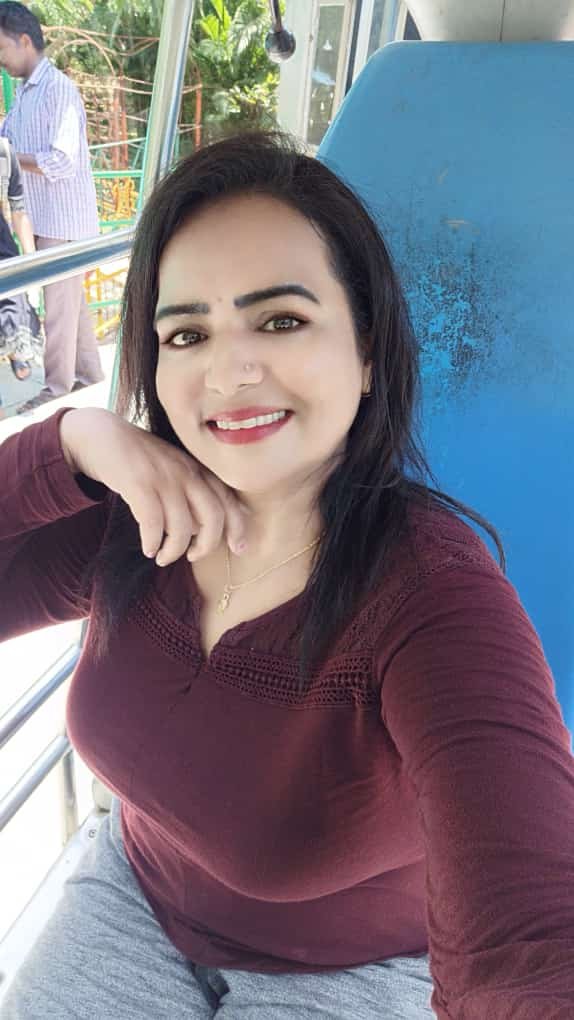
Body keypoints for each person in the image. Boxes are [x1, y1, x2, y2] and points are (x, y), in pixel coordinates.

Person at [1, 132, 573, 1019]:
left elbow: (529, 937)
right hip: (135, 894)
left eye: (280, 321)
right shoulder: (137, 517)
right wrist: (68, 442)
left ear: (368, 348)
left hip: (353, 969)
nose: (229, 372)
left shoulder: (435, 602)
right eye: (187, 333)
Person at [0, 1, 103, 414]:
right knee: (71, 308)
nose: (0, 59)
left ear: (25, 41)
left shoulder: (58, 89)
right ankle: (92, 378)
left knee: (59, 310)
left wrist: (12, 157)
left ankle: (56, 389)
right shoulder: (25, 95)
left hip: (64, 222)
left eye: (2, 48)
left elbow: (61, 160)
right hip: (45, 220)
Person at [0, 136, 42, 414]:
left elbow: (18, 211)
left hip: (2, 247)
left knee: (15, 305)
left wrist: (32, 263)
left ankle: (16, 347)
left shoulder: (5, 152)